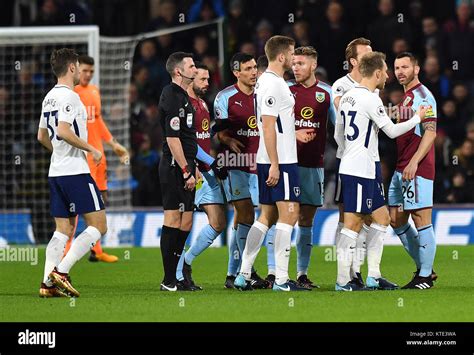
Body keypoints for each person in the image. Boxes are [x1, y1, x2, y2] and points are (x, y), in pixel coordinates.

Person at [336, 51, 427, 291]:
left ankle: (373, 276)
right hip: (359, 169)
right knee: (353, 223)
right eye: (385, 70)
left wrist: (349, 151)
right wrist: (417, 118)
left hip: (360, 166)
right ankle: (343, 280)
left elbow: (338, 132)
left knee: (382, 218)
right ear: (376, 73)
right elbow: (393, 131)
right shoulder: (371, 98)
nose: (388, 75)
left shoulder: (347, 96)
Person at [234, 35, 309, 292]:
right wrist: (276, 164)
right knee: (290, 214)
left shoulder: (267, 82)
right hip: (281, 161)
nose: (293, 59)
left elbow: (276, 124)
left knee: (266, 216)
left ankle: (243, 273)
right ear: (281, 56)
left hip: (270, 159)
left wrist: (292, 133)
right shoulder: (274, 84)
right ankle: (281, 279)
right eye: (291, 54)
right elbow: (267, 125)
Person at [37, 48, 107, 297]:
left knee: (62, 229)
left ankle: (46, 284)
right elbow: (65, 131)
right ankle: (61, 272)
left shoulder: (48, 97)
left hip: (56, 172)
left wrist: (58, 153)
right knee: (99, 225)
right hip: (76, 172)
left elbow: (42, 136)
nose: (80, 71)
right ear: (71, 68)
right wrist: (91, 150)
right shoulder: (71, 97)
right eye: (78, 66)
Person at [265, 46, 336, 289]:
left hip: (313, 166)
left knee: (306, 219)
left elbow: (339, 130)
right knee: (278, 217)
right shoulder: (284, 89)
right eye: (293, 63)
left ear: (313, 65)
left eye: (301, 64)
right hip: (287, 164)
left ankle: (302, 274)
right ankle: (274, 272)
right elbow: (270, 125)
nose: (295, 68)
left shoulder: (327, 93)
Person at [62, 55, 129, 263]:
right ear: (76, 69)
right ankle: (66, 251)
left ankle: (96, 250)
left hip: (98, 156)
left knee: (100, 201)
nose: (88, 75)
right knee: (75, 206)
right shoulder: (70, 94)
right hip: (81, 156)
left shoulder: (94, 91)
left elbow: (97, 121)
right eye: (85, 71)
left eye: (92, 71)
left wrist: (113, 143)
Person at [213, 53, 267, 289]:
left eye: (255, 67)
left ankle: (233, 274)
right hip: (236, 164)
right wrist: (226, 139)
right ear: (237, 72)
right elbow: (217, 132)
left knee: (248, 219)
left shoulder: (264, 94)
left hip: (262, 164)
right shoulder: (225, 98)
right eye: (248, 68)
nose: (254, 72)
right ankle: (248, 270)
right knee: (246, 215)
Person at [175, 62, 227, 290]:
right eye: (202, 79)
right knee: (184, 224)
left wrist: (217, 128)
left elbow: (202, 134)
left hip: (206, 172)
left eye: (208, 79)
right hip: (192, 172)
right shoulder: (186, 105)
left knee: (218, 223)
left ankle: (186, 262)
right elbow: (189, 144)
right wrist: (211, 162)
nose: (207, 83)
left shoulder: (203, 104)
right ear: (191, 79)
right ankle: (177, 275)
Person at [389, 52, 438, 289]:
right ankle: (425, 266)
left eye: (405, 67)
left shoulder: (422, 96)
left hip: (416, 168)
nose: (400, 71)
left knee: (421, 218)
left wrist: (414, 162)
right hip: (402, 167)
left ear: (416, 69)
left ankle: (425, 276)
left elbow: (430, 131)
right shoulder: (405, 98)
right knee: (396, 219)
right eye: (397, 67)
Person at [331, 37, 377, 288]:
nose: (371, 56)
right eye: (366, 54)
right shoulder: (341, 86)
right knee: (347, 217)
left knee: (368, 217)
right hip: (349, 160)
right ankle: (345, 273)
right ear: (353, 61)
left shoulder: (373, 86)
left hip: (371, 160)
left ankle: (357, 271)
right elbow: (340, 122)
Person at [158, 52, 199, 292]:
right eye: (191, 66)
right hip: (175, 166)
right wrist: (185, 170)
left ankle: (175, 274)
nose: (195, 69)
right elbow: (173, 140)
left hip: (187, 164)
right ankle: (168, 279)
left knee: (186, 221)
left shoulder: (183, 96)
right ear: (178, 71)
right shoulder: (171, 95)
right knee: (173, 218)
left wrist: (194, 167)